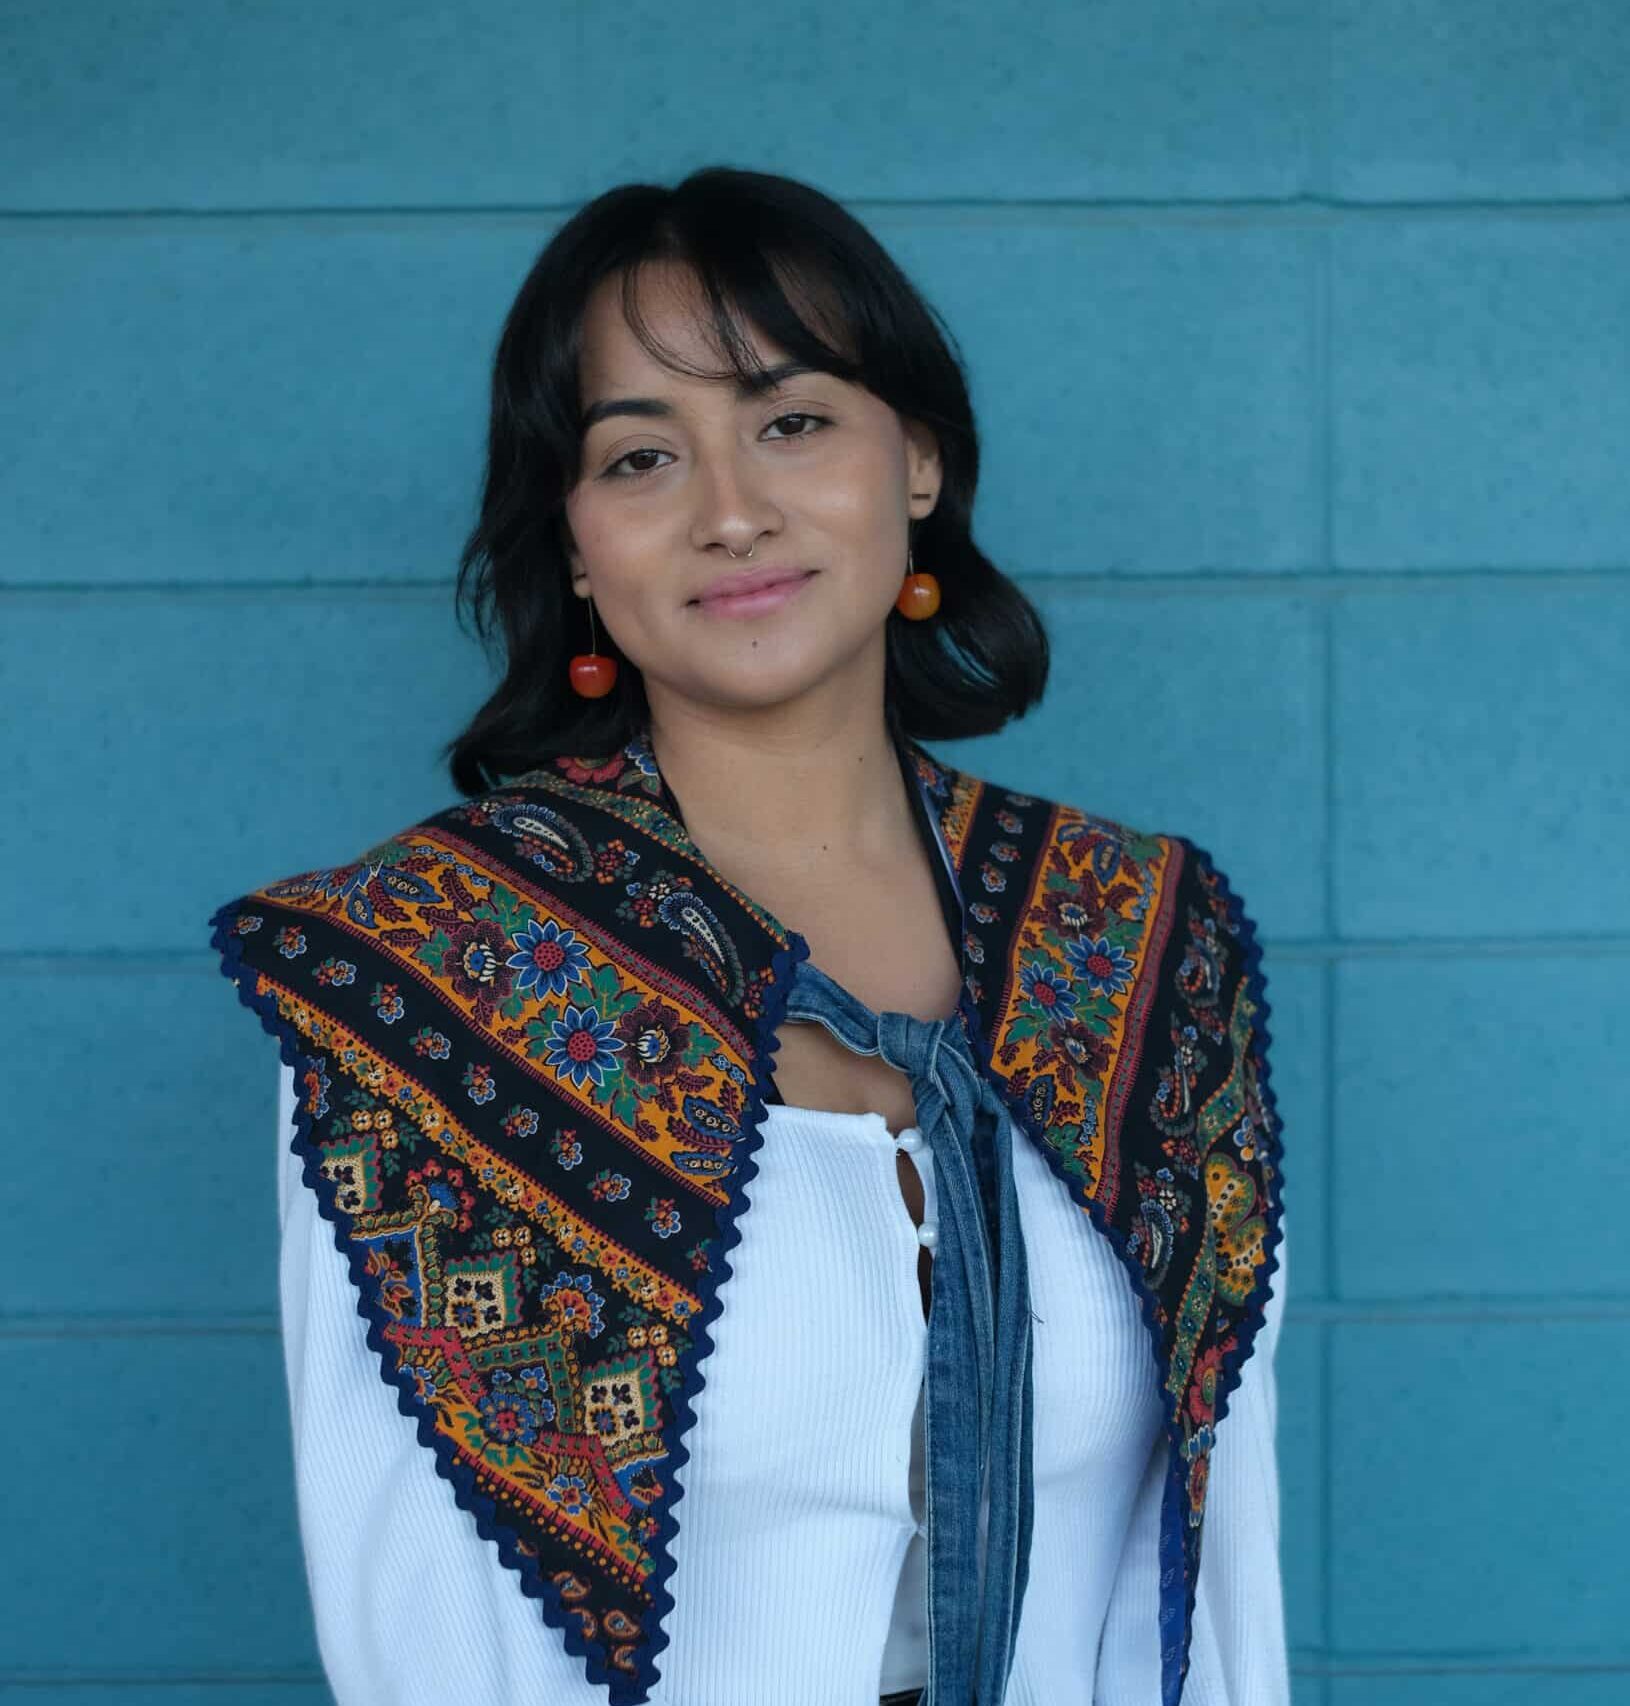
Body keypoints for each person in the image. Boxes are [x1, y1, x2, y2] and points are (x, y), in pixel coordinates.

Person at [223, 165, 1290, 1706]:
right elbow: (428, 1610)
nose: (730, 511)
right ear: (578, 545)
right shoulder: (425, 975)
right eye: (641, 454)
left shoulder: (1138, 940)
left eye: (791, 421)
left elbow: (1213, 1535)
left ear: (914, 458)